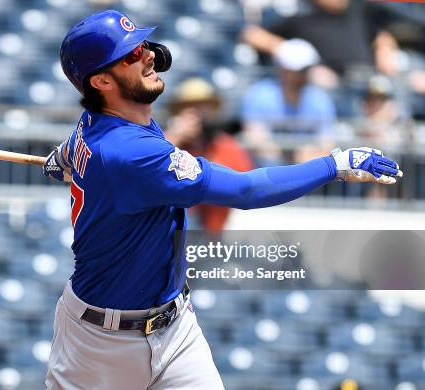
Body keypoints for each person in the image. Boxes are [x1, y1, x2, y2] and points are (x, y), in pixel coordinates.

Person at [42, 10, 402, 390]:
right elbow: (247, 190)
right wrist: (335, 164)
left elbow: (83, 145)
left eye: (143, 46)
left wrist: (65, 157)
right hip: (99, 345)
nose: (148, 54)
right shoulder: (129, 152)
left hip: (175, 326)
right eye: (130, 54)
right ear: (101, 80)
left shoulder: (105, 124)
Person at [165, 77, 253, 234]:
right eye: (189, 106)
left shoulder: (226, 145)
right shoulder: (168, 143)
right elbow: (149, 171)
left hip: (214, 232)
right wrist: (175, 137)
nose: (197, 113)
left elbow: (242, 185)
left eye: (202, 106)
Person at [243, 0, 399, 88]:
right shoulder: (300, 13)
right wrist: (294, 56)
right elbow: (252, 34)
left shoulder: (358, 9)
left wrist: (384, 50)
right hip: (326, 86)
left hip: (367, 80)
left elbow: (381, 35)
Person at [241, 39, 336, 165]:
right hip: (268, 168)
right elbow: (256, 139)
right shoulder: (259, 95)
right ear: (283, 69)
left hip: (307, 166)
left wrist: (310, 158)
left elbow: (327, 143)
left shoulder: (320, 99)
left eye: (306, 69)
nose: (303, 74)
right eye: (299, 70)